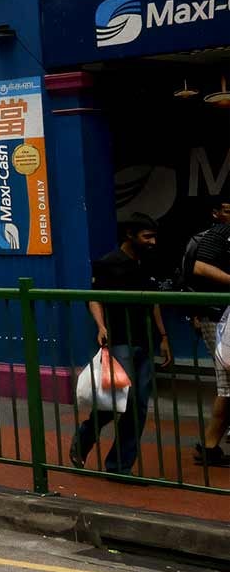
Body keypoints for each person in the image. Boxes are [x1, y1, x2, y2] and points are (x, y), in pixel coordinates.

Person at [69, 215, 173, 475]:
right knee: (116, 401)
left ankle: (119, 466)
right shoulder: (108, 263)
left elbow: (154, 302)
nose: (152, 242)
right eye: (146, 236)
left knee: (137, 406)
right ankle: (85, 435)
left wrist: (163, 337)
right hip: (119, 340)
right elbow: (94, 299)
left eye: (153, 236)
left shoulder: (149, 262)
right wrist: (101, 327)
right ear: (130, 235)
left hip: (145, 340)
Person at [181, 201, 230, 466]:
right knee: (227, 382)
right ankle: (209, 446)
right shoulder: (219, 234)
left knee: (227, 385)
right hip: (219, 317)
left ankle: (210, 447)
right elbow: (200, 268)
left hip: (222, 317)